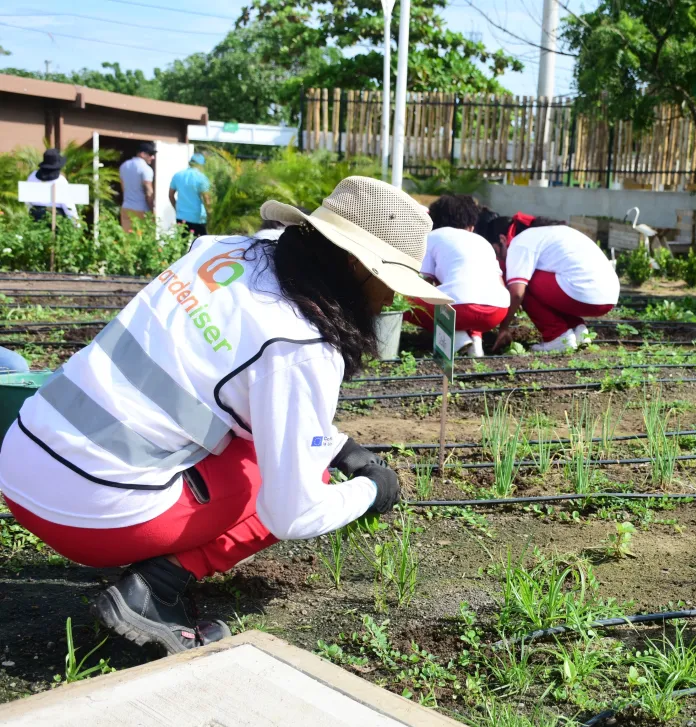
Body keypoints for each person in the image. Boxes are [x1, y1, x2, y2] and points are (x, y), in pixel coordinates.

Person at [0, 177, 452, 655]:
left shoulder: (224, 252)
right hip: (88, 519)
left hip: (20, 462)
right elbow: (294, 511)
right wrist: (371, 490)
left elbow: (220, 379)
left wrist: (339, 443)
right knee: (297, 475)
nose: (391, 300)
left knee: (275, 445)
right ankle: (157, 588)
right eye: (391, 282)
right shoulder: (302, 345)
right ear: (360, 266)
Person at [481, 215, 619, 353]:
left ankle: (557, 336)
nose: (499, 258)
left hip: (583, 293)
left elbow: (517, 293)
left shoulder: (520, 241)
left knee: (522, 282)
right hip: (609, 296)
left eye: (496, 252)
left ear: (502, 240)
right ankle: (578, 331)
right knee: (551, 279)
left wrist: (503, 328)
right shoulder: (549, 233)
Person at [403, 195, 510, 358]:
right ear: (471, 225)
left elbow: (424, 283)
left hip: (460, 309)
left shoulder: (433, 237)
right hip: (497, 310)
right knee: (465, 293)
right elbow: (500, 283)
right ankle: (475, 341)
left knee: (403, 300)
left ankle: (458, 339)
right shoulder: (482, 241)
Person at [24, 149, 79, 223]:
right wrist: (76, 223)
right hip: (56, 217)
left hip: (35, 215)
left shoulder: (32, 176)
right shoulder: (61, 181)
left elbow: (27, 200)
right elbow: (68, 205)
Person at [169, 153, 212, 237]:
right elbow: (207, 200)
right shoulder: (202, 178)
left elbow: (170, 195)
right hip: (198, 219)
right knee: (200, 245)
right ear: (201, 165)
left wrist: (177, 209)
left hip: (181, 217)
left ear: (190, 163)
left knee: (182, 245)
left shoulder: (178, 175)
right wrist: (210, 217)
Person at [119, 142, 156, 232]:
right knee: (143, 239)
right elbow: (149, 192)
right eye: (151, 154)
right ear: (142, 154)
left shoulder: (124, 166)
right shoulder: (146, 169)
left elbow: (123, 187)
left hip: (126, 207)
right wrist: (153, 211)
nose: (153, 157)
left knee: (128, 238)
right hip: (142, 209)